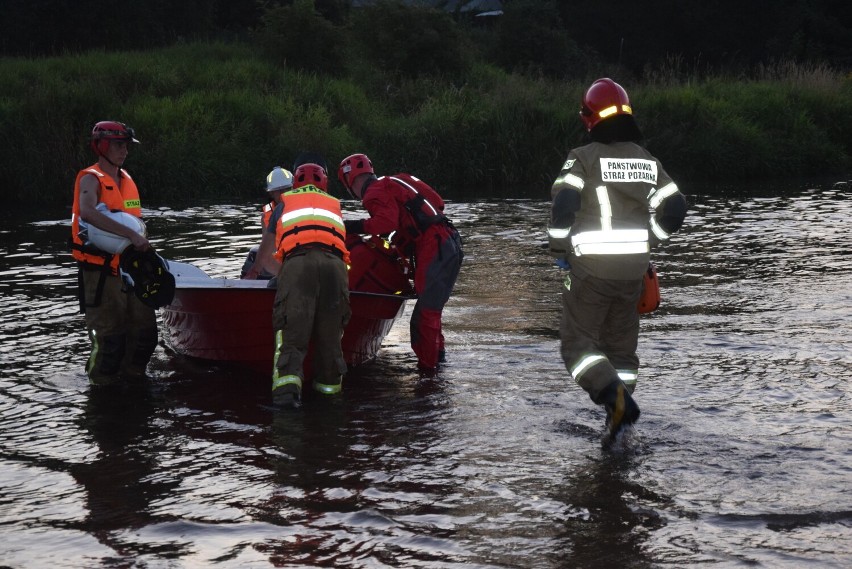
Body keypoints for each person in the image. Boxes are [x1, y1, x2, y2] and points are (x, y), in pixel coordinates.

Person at [548, 78, 687, 440]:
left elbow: (564, 206)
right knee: (622, 352)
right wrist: (648, 242)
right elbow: (675, 208)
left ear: (590, 116)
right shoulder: (647, 161)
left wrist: (560, 251)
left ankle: (615, 399)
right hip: (633, 274)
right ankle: (618, 421)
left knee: (577, 345)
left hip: (591, 270)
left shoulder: (582, 158)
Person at [337, 153, 463, 376]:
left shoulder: (373, 192)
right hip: (449, 241)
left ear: (350, 181)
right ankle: (438, 364)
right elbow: (437, 204)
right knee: (431, 311)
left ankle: (429, 378)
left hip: (435, 245)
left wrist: (349, 226)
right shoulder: (396, 180)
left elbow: (385, 222)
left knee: (424, 317)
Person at [70, 120, 158, 385]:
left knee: (145, 336)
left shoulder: (126, 179)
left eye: (127, 146)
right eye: (120, 145)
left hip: (132, 269)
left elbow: (135, 222)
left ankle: (132, 385)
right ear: (103, 146)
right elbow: (87, 211)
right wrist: (130, 235)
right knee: (110, 343)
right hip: (101, 272)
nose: (125, 151)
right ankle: (101, 393)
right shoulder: (90, 178)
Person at [271, 162, 351, 406]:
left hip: (298, 264)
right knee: (330, 341)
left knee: (292, 336)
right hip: (336, 268)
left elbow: (266, 254)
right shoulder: (335, 205)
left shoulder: (283, 201)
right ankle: (330, 404)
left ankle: (287, 400)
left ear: (294, 182)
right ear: (324, 183)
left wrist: (275, 277)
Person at [241, 166, 293, 280]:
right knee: (255, 252)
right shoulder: (267, 212)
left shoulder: (298, 205)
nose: (283, 194)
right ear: (272, 193)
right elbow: (268, 242)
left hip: (293, 255)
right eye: (279, 191)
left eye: (285, 190)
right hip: (281, 257)